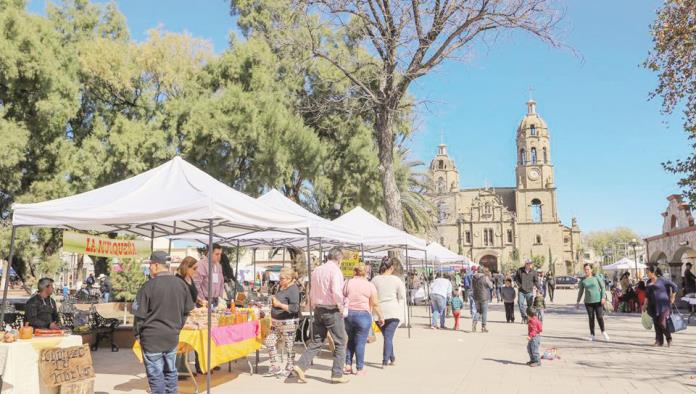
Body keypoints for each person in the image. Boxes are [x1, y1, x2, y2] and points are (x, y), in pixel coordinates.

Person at [133, 251, 194, 394]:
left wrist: (137, 335)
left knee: (156, 377)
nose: (149, 268)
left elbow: (139, 317)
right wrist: (177, 328)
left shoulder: (148, 286)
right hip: (171, 337)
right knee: (171, 373)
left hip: (151, 339)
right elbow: (186, 311)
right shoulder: (181, 284)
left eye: (150, 265)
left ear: (155, 265)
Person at [293, 247, 349, 384]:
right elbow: (336, 291)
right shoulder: (335, 271)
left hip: (318, 309)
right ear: (339, 258)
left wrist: (313, 305)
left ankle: (300, 366)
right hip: (331, 310)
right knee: (341, 341)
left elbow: (311, 291)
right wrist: (341, 307)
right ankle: (337, 374)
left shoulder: (317, 270)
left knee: (317, 341)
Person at [343, 264, 384, 375]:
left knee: (350, 340)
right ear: (365, 272)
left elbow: (342, 297)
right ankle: (360, 368)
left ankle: (347, 365)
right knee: (360, 342)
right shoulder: (369, 285)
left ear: (354, 271)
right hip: (363, 315)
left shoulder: (347, 283)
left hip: (349, 314)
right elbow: (375, 303)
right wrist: (381, 316)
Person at [264, 267, 301, 378]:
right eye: (279, 278)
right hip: (276, 322)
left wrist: (279, 305)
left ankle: (289, 368)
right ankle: (275, 366)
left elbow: (294, 308)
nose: (279, 280)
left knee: (289, 346)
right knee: (270, 341)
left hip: (288, 322)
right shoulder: (282, 287)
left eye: (282, 278)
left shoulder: (294, 289)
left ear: (290, 279)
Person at [371, 257, 405, 367]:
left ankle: (392, 357)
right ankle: (385, 360)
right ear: (391, 268)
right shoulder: (397, 280)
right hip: (393, 312)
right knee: (388, 337)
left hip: (378, 312)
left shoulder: (375, 280)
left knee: (387, 336)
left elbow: (371, 296)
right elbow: (402, 296)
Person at [174, 256, 203, 376]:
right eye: (194, 268)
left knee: (187, 342)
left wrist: (199, 300)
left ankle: (185, 368)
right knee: (181, 342)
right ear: (187, 267)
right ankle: (179, 370)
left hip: (192, 313)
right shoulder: (178, 279)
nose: (196, 271)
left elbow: (193, 294)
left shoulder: (189, 277)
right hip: (183, 314)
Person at [576, 263, 610, 342]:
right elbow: (581, 291)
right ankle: (592, 334)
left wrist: (603, 298)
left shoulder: (596, 277)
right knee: (591, 318)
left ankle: (603, 332)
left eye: (588, 269)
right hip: (588, 302)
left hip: (598, 301)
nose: (586, 271)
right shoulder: (583, 280)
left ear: (591, 269)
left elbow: (602, 287)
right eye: (585, 269)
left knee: (600, 317)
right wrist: (577, 301)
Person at [645, 266, 677, 347]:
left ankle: (669, 339)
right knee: (656, 323)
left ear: (653, 272)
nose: (647, 273)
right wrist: (644, 304)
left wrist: (673, 296)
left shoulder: (662, 280)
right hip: (652, 306)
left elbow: (674, 286)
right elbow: (647, 295)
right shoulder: (648, 282)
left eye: (648, 272)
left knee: (662, 323)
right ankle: (659, 341)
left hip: (663, 305)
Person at [194, 243, 224, 308]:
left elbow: (221, 282)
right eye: (217, 254)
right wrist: (202, 299)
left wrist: (220, 298)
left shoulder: (219, 265)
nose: (219, 256)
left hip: (216, 299)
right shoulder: (201, 265)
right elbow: (196, 283)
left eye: (220, 254)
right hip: (205, 299)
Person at [514, 259, 540, 324]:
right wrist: (519, 285)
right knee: (520, 303)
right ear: (525, 264)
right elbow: (516, 279)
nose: (530, 265)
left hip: (529, 291)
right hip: (521, 291)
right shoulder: (520, 270)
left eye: (530, 263)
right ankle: (524, 317)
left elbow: (536, 281)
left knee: (530, 306)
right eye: (528, 263)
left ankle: (529, 318)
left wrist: (539, 289)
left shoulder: (534, 272)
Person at [472, 267, 493, 333]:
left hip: (476, 296)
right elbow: (491, 286)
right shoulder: (485, 278)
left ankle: (474, 322)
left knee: (478, 311)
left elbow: (472, 287)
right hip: (484, 297)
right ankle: (483, 327)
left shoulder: (473, 277)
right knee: (484, 312)